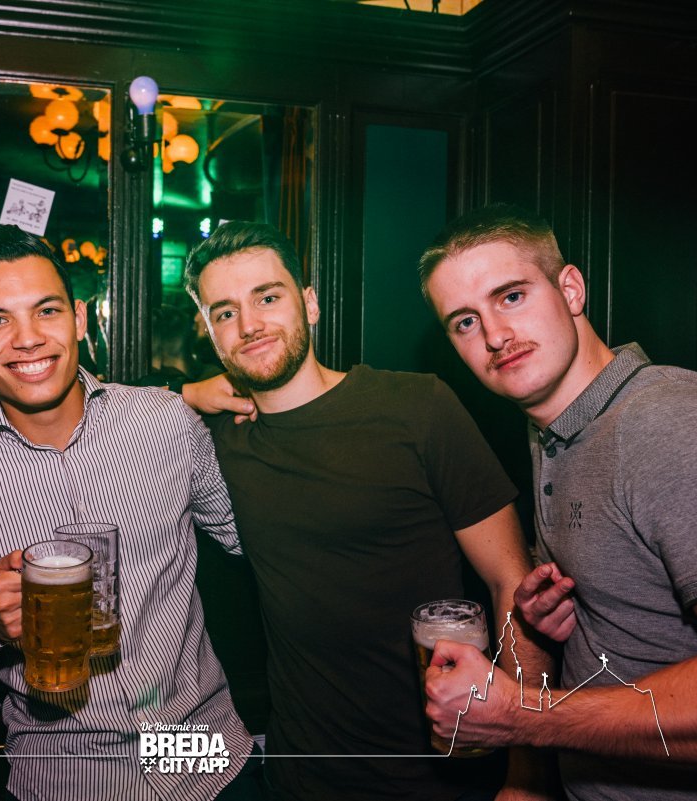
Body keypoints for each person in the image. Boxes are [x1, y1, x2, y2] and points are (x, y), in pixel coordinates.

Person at [417, 204, 697, 800]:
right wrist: (552, 624)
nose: (495, 336)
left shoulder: (678, 427)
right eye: (464, 321)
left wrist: (524, 717)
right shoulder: (557, 431)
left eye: (511, 296)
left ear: (570, 289)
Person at [183, 221, 551, 801]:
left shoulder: (416, 407)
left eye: (268, 298)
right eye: (224, 312)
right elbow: (99, 408)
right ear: (208, 330)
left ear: (309, 304)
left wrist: (527, 776)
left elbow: (513, 583)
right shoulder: (215, 440)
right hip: (298, 778)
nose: (249, 324)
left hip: (439, 777)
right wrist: (185, 392)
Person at [0, 224, 261, 801]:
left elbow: (256, 543)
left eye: (47, 311)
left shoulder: (166, 423)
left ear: (79, 318)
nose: (28, 339)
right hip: (65, 777)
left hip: (208, 762)